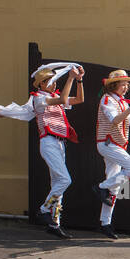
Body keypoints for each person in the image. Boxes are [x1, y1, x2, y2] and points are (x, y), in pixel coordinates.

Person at [95, 69, 130, 239]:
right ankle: (100, 187)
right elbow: (114, 120)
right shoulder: (107, 100)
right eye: (123, 83)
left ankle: (105, 223)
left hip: (116, 145)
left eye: (127, 84)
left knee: (114, 186)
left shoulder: (122, 103)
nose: (126, 86)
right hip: (107, 144)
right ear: (114, 85)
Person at [32, 64, 85, 239]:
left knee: (58, 183)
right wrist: (69, 77)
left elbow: (79, 99)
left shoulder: (54, 96)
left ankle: (54, 223)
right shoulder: (38, 98)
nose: (54, 84)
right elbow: (63, 100)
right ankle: (43, 210)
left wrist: (79, 80)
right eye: (49, 81)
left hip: (59, 143)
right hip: (48, 141)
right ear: (41, 84)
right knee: (64, 179)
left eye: (54, 81)